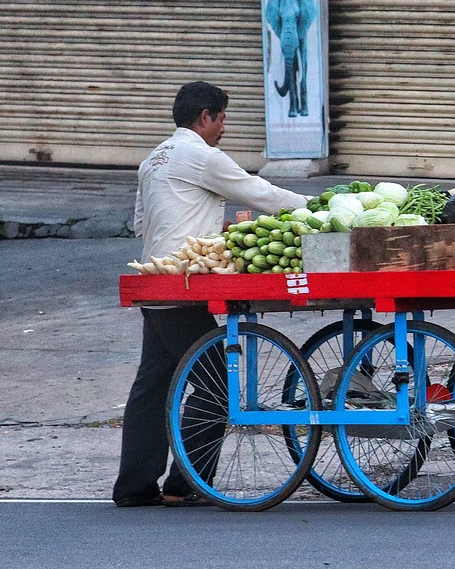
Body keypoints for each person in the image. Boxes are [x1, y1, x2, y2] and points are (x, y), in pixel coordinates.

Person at [112, 81, 308, 508]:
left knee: (153, 385)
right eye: (222, 118)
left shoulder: (153, 159)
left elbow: (143, 224)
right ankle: (186, 483)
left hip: (155, 283)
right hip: (183, 284)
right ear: (205, 117)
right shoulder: (203, 156)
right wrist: (316, 207)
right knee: (216, 383)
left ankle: (134, 486)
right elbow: (262, 194)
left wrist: (203, 223)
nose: (224, 127)